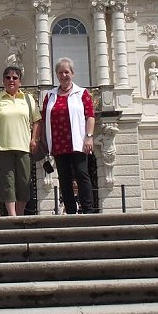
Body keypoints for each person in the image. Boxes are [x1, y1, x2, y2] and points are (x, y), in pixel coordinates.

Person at [40, 58, 95, 214]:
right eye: (60, 72)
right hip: (58, 142)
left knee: (81, 174)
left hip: (78, 141)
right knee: (64, 178)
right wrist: (44, 140)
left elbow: (90, 116)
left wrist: (89, 136)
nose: (64, 75)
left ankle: (88, 210)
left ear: (72, 73)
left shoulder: (82, 93)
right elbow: (44, 119)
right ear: (57, 75)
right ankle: (70, 212)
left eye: (66, 72)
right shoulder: (50, 95)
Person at [0, 66, 42, 216]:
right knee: (7, 182)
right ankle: (12, 216)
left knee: (24, 181)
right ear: (3, 81)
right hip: (2, 147)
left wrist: (34, 139)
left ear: (20, 81)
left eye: (15, 78)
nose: (11, 80)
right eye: (8, 77)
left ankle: (20, 215)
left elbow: (37, 120)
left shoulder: (28, 99)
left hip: (24, 146)